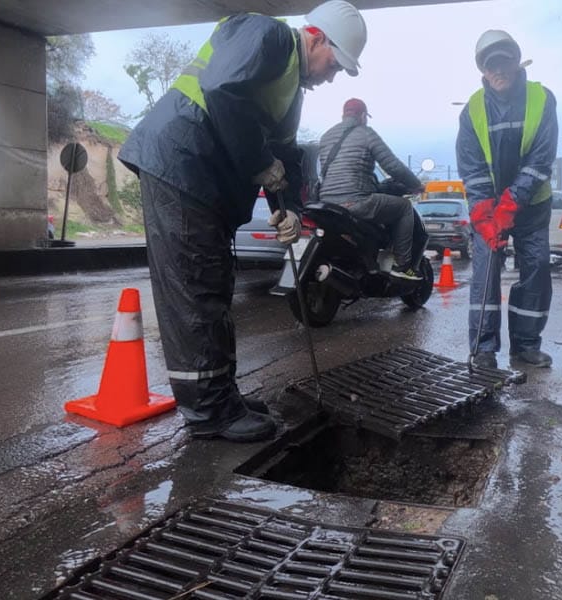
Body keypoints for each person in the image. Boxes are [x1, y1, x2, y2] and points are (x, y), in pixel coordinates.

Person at [118, 1, 367, 442]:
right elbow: (221, 90)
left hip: (200, 176)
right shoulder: (265, 35)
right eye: (336, 64)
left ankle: (221, 393)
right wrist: (259, 162)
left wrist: (287, 206)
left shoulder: (289, 88)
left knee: (214, 283)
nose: (333, 76)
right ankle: (209, 411)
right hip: (180, 163)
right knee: (197, 286)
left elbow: (283, 155)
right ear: (317, 36)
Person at [457, 30, 558, 370]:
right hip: (490, 211)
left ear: (517, 62)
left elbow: (541, 159)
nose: (498, 70)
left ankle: (526, 344)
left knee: (537, 268)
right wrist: (486, 215)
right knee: (485, 271)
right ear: (482, 71)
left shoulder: (542, 99)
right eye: (490, 65)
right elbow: (472, 169)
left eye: (503, 62)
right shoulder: (471, 110)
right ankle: (484, 349)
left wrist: (510, 207)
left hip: (531, 207)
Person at [318, 98, 425, 279]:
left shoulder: (326, 136)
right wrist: (416, 184)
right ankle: (401, 266)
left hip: (326, 203)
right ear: (362, 116)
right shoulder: (366, 133)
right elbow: (393, 166)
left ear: (344, 115)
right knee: (404, 207)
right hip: (355, 201)